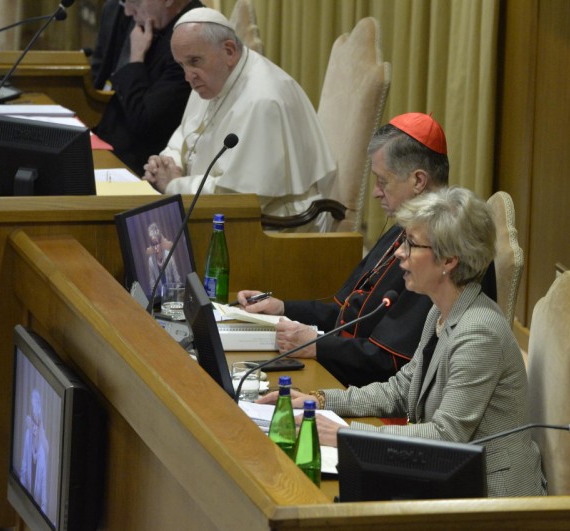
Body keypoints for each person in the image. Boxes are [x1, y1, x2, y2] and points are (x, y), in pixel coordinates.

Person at [259, 187, 546, 498]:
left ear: (448, 260)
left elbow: (446, 436)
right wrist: (321, 401)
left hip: (489, 498)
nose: (399, 252)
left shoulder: (479, 333)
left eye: (411, 244)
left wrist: (346, 434)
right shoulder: (440, 310)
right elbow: (400, 389)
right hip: (449, 478)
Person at [237, 113, 496, 386]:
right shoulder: (403, 231)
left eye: (383, 181)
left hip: (372, 389)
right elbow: (348, 316)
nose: (375, 192)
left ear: (418, 181)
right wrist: (282, 308)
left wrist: (317, 346)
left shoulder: (438, 249)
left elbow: (392, 363)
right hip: (350, 376)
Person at [143, 8, 336, 229]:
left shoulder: (263, 100)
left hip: (273, 226)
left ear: (229, 51)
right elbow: (187, 136)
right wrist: (167, 164)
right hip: (217, 215)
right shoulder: (213, 78)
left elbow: (242, 198)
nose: (188, 76)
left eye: (194, 61)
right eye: (181, 65)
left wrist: (174, 185)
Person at [92, 0, 203, 173]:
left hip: (143, 165)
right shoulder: (147, 21)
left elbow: (144, 122)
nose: (128, 12)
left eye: (135, 2)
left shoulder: (192, 39)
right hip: (109, 148)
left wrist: (135, 59)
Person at [20, 388, 49, 512]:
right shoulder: (27, 436)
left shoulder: (42, 450)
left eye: (37, 423)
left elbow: (43, 490)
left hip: (36, 509)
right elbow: (23, 470)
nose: (34, 427)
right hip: (25, 502)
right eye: (32, 421)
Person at [145, 221, 178, 295]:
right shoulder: (151, 261)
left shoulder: (169, 256)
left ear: (161, 242)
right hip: (160, 298)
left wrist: (176, 296)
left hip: (172, 296)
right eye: (153, 244)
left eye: (156, 243)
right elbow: (152, 285)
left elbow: (177, 281)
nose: (155, 248)